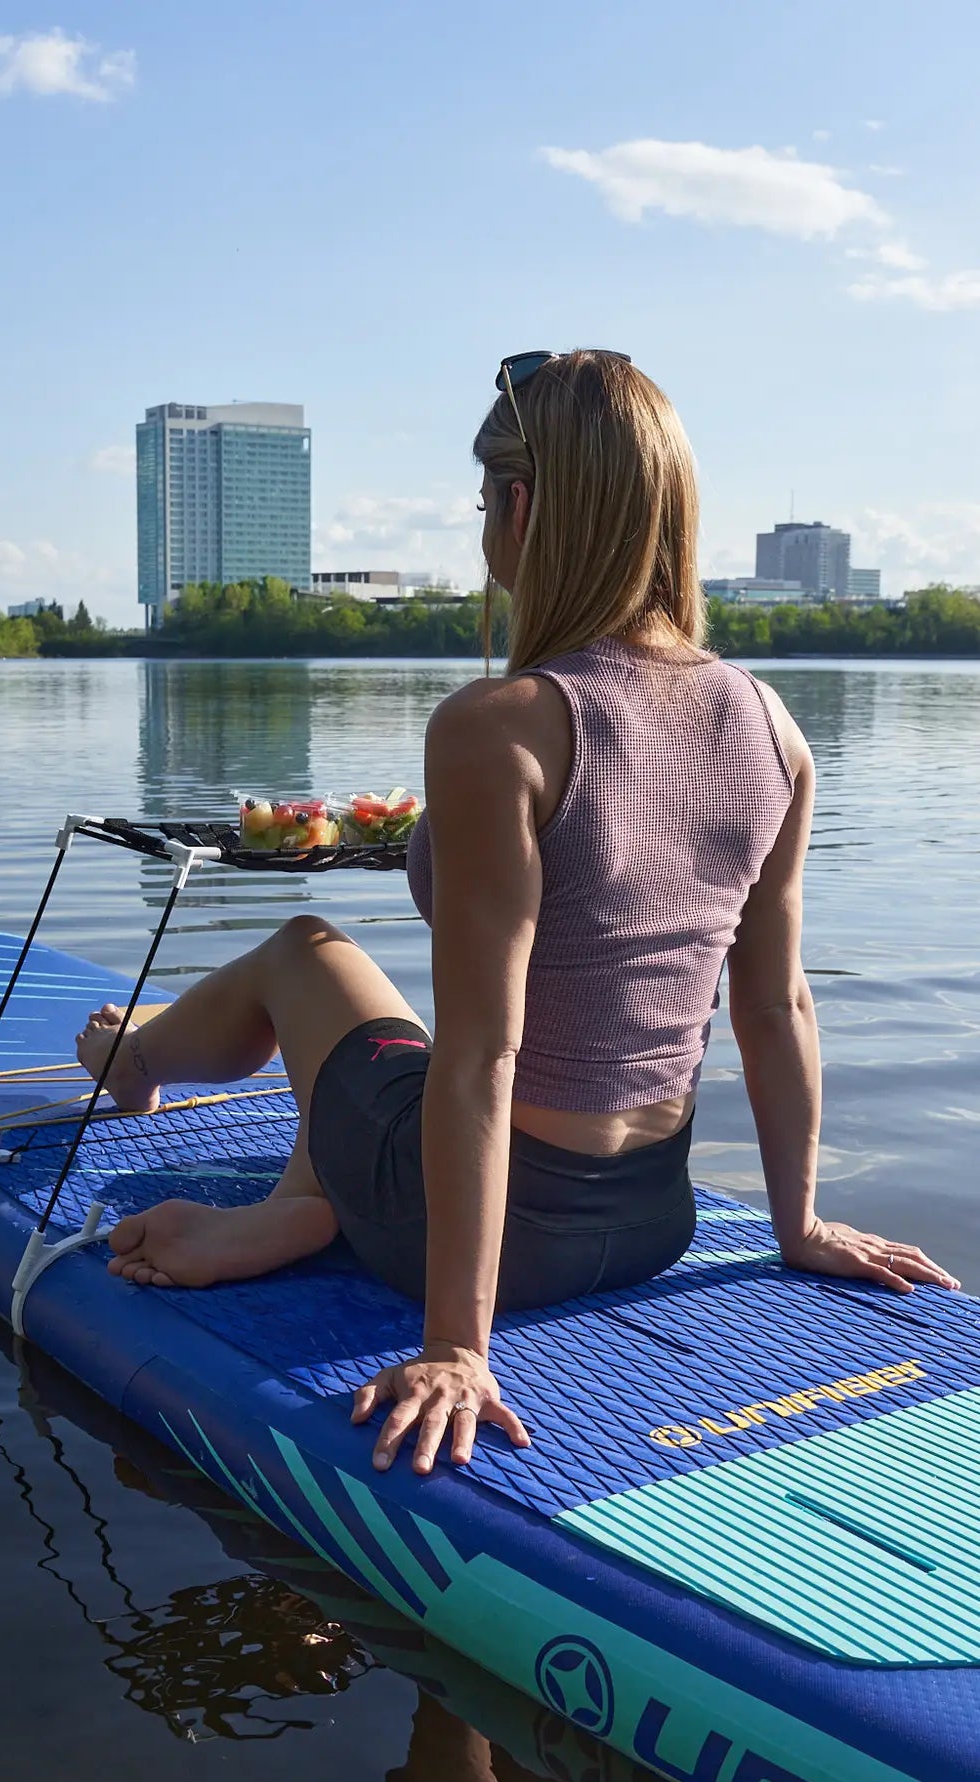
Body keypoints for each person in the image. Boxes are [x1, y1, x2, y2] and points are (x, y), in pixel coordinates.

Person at [76, 349, 958, 1477]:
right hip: (652, 1220)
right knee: (392, 1048)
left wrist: (455, 1346)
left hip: (487, 1233)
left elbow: (485, 1058)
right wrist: (800, 1226)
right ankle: (304, 1196)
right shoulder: (776, 727)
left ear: (521, 506)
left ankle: (141, 1062)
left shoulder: (500, 725)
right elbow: (777, 1002)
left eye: (482, 500)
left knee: (308, 952)